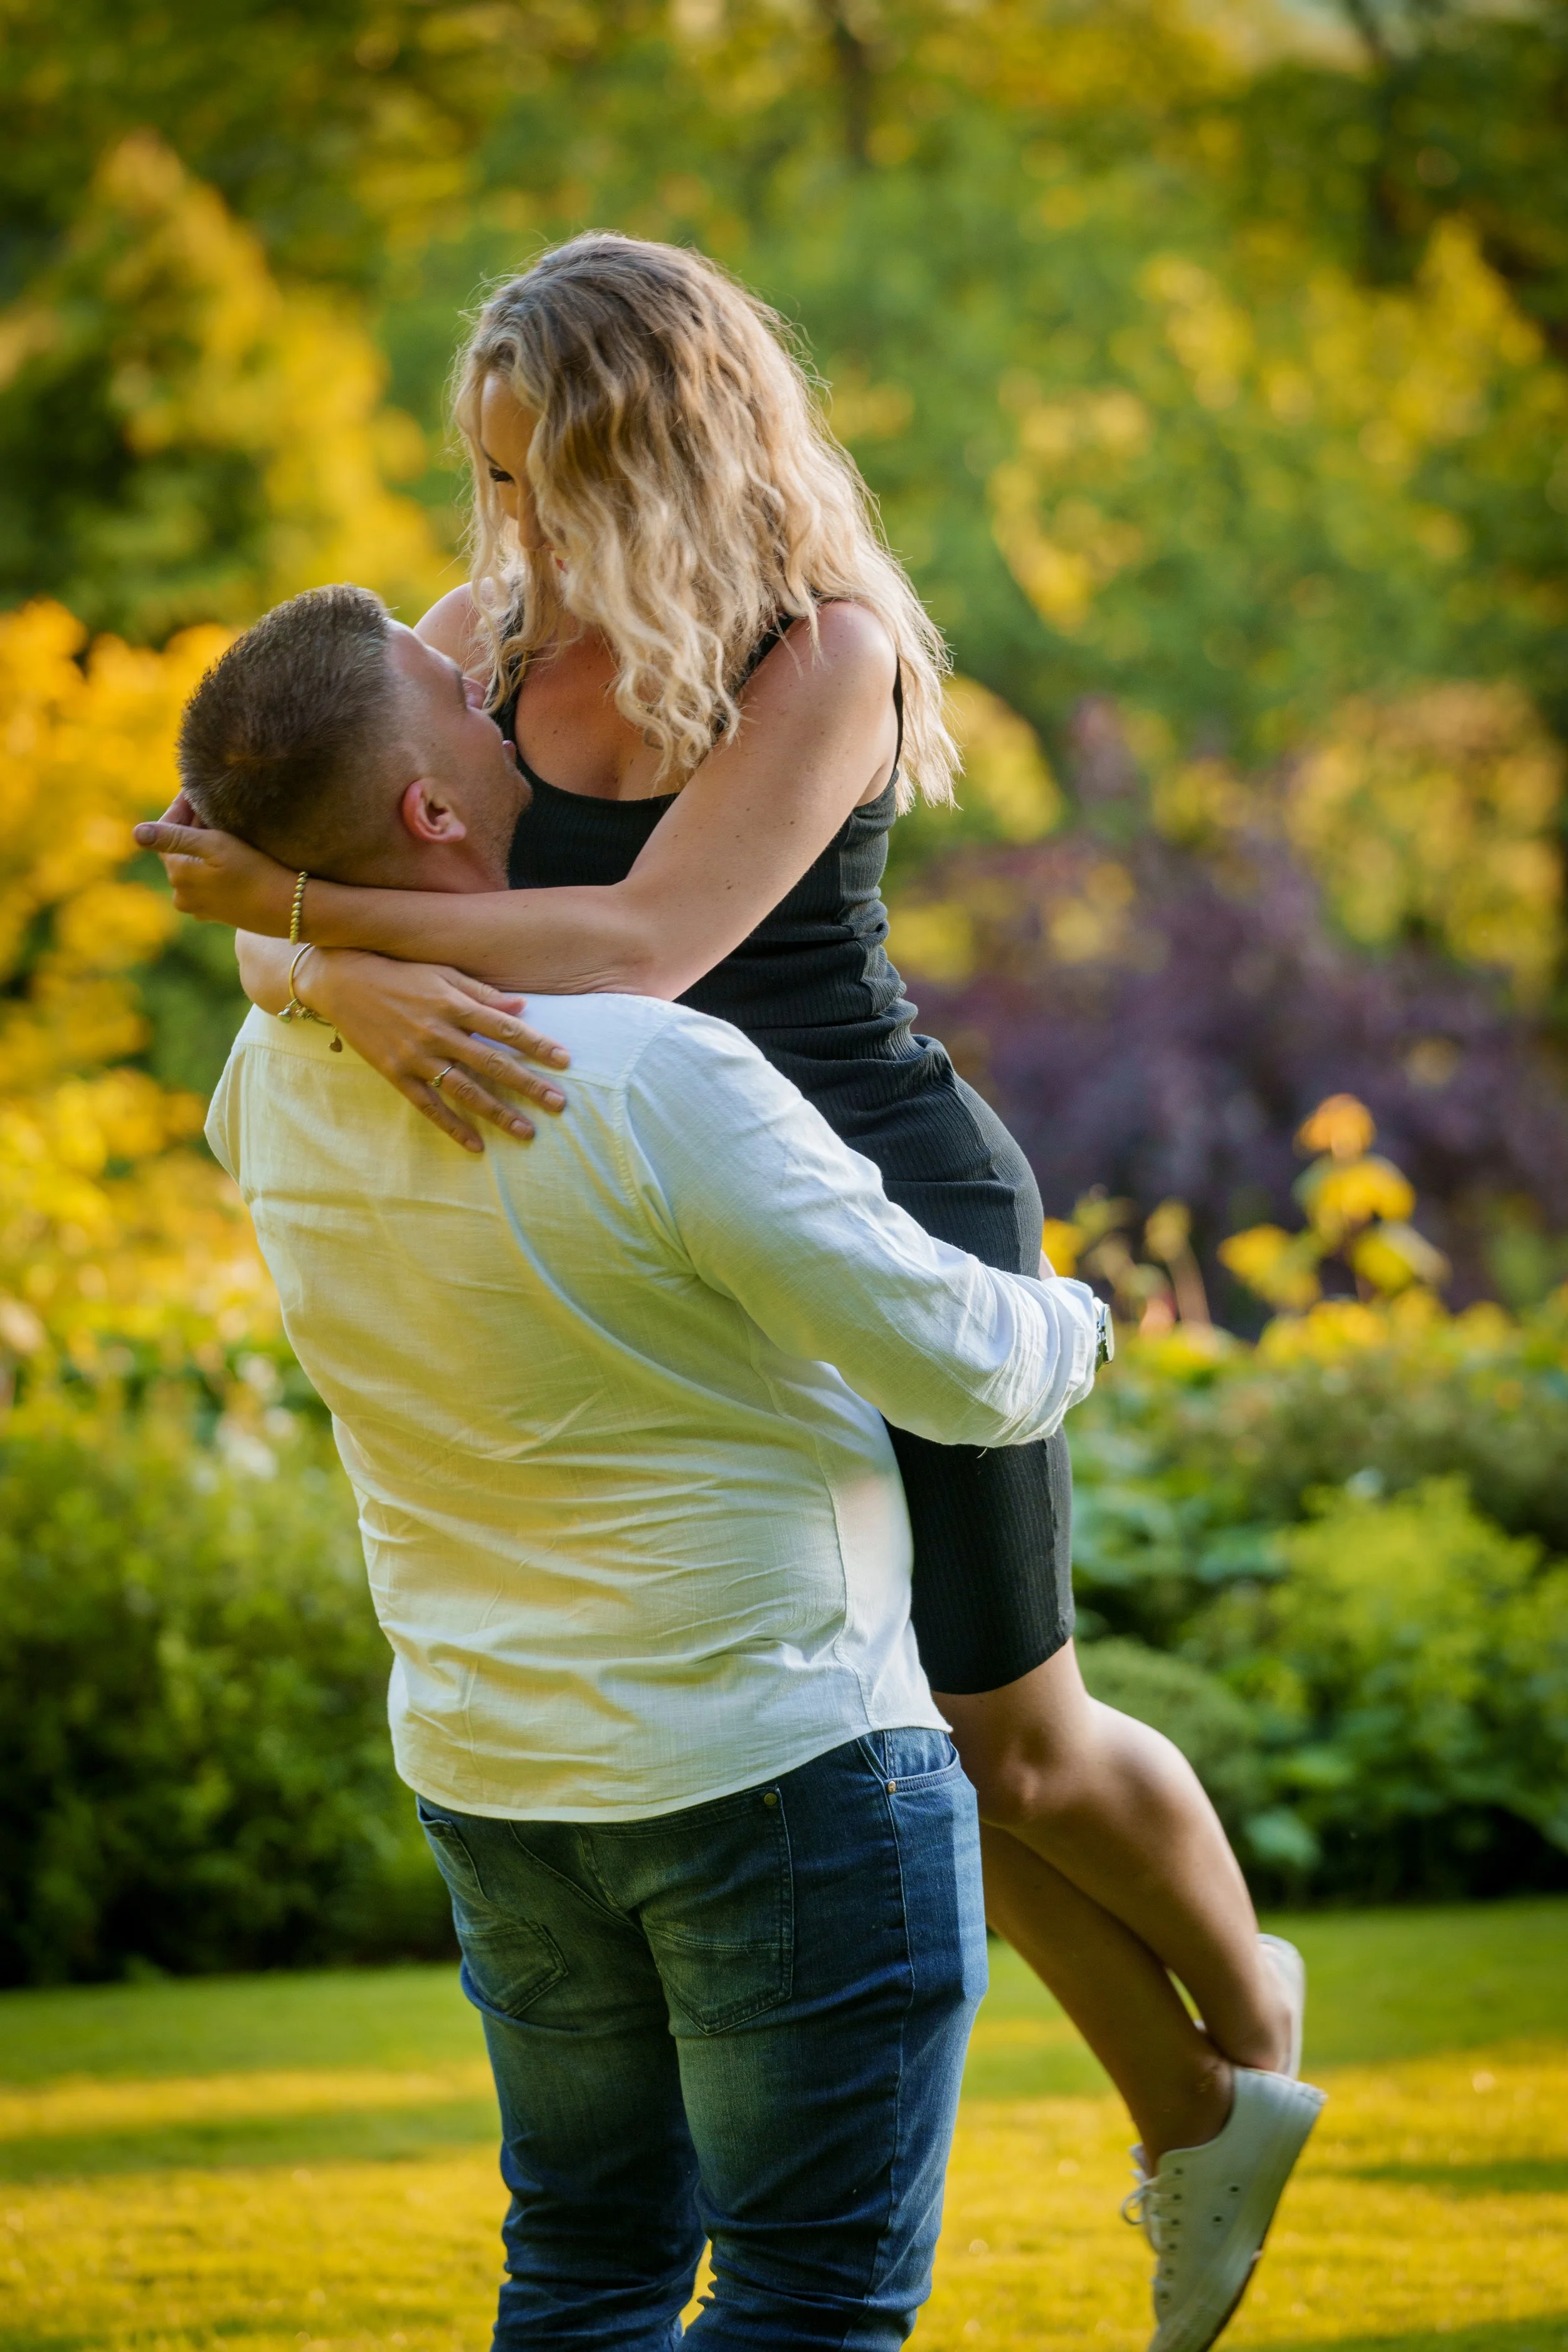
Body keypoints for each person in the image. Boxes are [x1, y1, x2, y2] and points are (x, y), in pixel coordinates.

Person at [139, 234, 1325, 2352]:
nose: (507, 522)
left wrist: (313, 924)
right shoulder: (476, 641)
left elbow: (643, 948)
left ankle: (1251, 2021)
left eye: (543, 477)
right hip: (661, 1212)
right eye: (490, 474)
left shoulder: (819, 651)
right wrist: (324, 970)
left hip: (883, 1199)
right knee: (889, 1734)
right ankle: (1199, 2123)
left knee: (1014, 1741)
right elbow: (251, 866)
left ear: (665, 450)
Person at [191, 580, 1112, 2348]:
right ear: (432, 807)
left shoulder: (269, 1070)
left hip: (500, 1775)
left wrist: (306, 950)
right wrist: (1078, 1316)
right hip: (773, 1763)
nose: (483, 671)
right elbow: (973, 1377)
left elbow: (276, 968)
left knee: (584, 2276)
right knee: (804, 2301)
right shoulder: (652, 1073)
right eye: (446, 684)